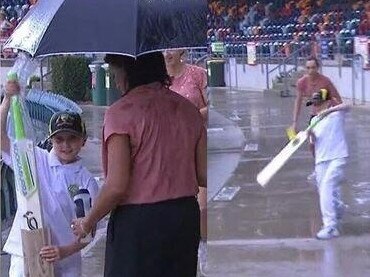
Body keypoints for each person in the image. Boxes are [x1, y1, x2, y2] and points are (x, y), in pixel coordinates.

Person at [72, 52, 207, 277]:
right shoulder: (189, 110)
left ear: (130, 72)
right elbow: (203, 173)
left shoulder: (120, 112)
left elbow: (116, 186)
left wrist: (88, 221)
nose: (115, 81)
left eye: (117, 73)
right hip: (184, 218)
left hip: (139, 224)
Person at [1, 81, 99, 277]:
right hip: (25, 251)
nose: (65, 145)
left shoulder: (86, 181)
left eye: (72, 138)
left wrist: (63, 252)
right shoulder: (34, 158)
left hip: (66, 262)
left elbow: (89, 232)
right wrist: (7, 101)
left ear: (83, 140)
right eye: (59, 139)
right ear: (50, 139)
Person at [163, 48, 208, 274]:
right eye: (163, 49)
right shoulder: (158, 78)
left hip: (196, 143)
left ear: (182, 50)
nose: (167, 53)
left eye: (171, 48)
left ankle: (203, 243)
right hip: (170, 148)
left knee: (202, 203)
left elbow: (209, 106)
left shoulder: (198, 74)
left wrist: (190, 116)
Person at [306, 89, 350, 240]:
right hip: (321, 160)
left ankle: (330, 226)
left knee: (327, 186)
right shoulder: (313, 121)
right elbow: (314, 144)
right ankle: (337, 212)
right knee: (325, 191)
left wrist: (329, 110)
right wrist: (310, 135)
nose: (315, 107)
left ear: (326, 102)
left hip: (338, 157)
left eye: (318, 104)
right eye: (313, 104)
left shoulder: (337, 115)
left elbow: (348, 106)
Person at [291, 56, 343, 180]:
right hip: (315, 115)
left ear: (317, 68)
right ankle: (318, 167)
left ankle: (333, 168)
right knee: (312, 143)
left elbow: (338, 98)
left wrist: (336, 112)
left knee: (328, 144)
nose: (310, 71)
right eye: (308, 68)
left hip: (329, 115)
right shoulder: (302, 82)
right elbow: (298, 102)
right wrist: (294, 123)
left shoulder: (325, 81)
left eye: (313, 68)